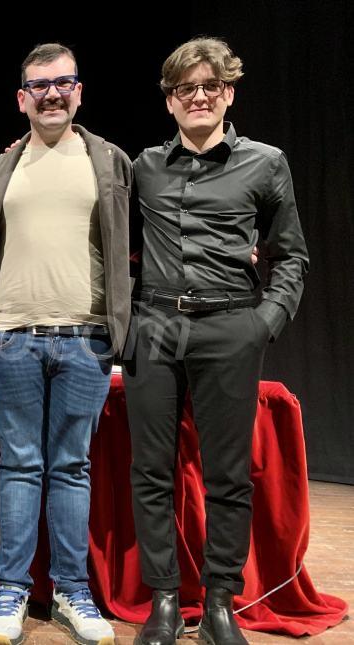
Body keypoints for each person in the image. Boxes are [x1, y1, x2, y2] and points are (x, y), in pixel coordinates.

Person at [124, 36, 309, 645]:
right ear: (170, 101)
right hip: (154, 328)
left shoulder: (266, 162)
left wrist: (264, 323)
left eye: (209, 86)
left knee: (227, 476)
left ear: (228, 93)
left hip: (230, 326)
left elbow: (290, 257)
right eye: (185, 89)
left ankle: (222, 602)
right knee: (151, 471)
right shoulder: (145, 166)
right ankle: (166, 602)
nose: (197, 96)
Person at [0, 43, 132, 645]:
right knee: (19, 465)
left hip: (86, 339)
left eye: (62, 82)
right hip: (11, 337)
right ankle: (11, 591)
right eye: (39, 85)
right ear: (22, 98)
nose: (51, 93)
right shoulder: (1, 168)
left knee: (71, 468)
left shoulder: (110, 160)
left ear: (79, 91)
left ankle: (72, 591)